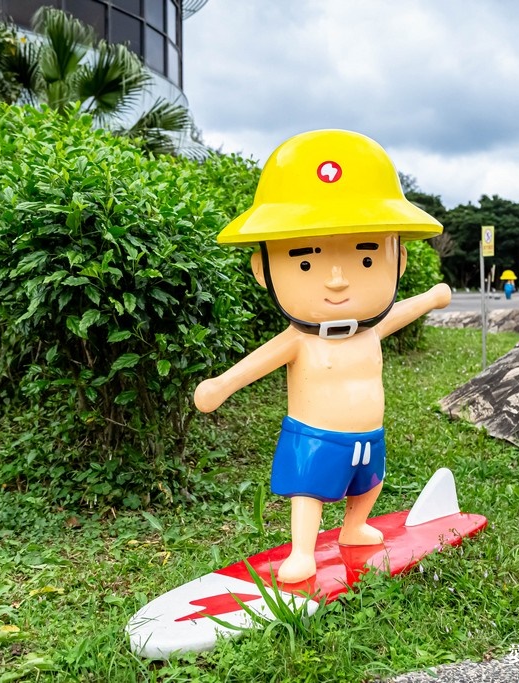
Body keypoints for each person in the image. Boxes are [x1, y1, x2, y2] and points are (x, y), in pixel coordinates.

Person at [193, 130, 450, 583]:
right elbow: (256, 362)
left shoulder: (370, 329)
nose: (336, 280)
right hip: (315, 435)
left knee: (369, 482)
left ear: (399, 261)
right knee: (308, 491)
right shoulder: (299, 340)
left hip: (368, 434)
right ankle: (302, 551)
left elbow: (402, 312)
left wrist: (429, 299)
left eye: (366, 260)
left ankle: (355, 526)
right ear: (263, 270)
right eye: (306, 263)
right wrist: (221, 385)